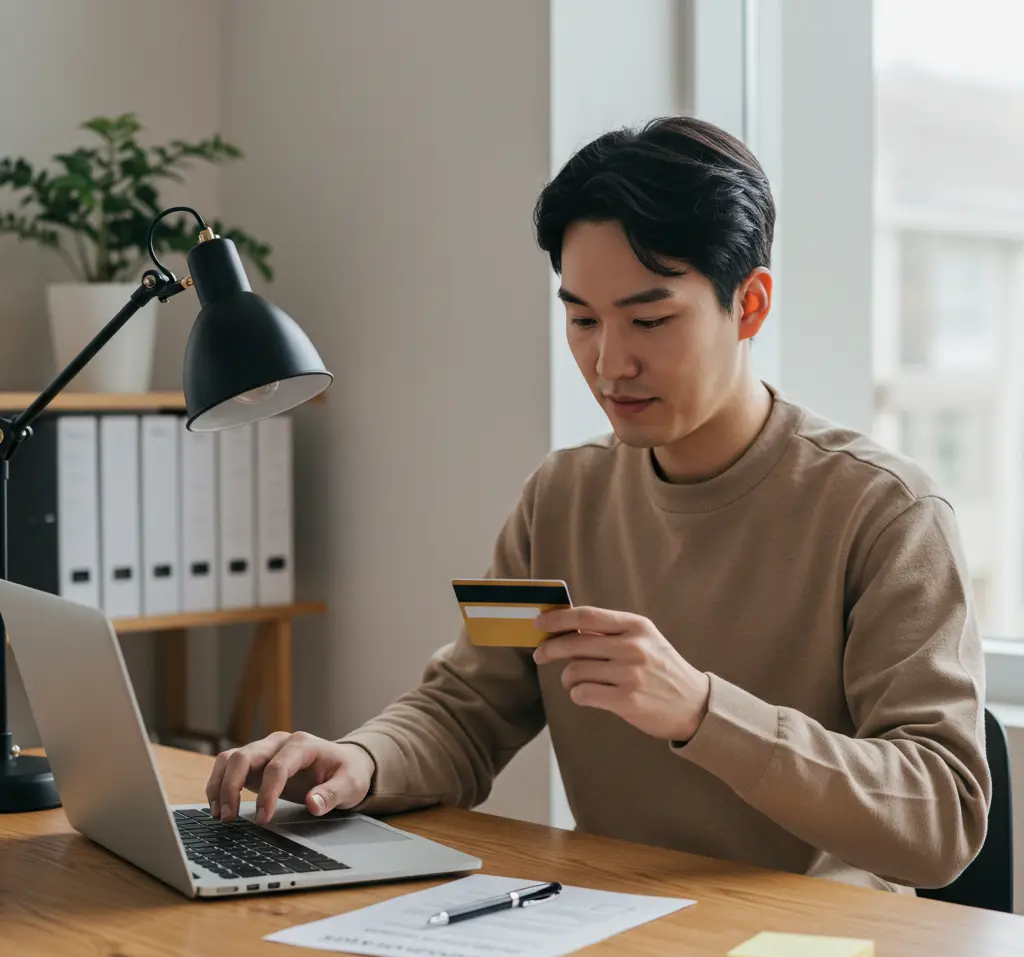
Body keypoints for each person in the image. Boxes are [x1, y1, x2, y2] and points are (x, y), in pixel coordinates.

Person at [207, 116, 990, 893]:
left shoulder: (886, 513)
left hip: (815, 948)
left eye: (650, 320)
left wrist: (704, 713)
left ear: (750, 305)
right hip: (612, 924)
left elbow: (942, 820)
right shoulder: (563, 496)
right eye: (582, 319)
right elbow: (469, 709)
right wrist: (362, 761)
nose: (609, 362)